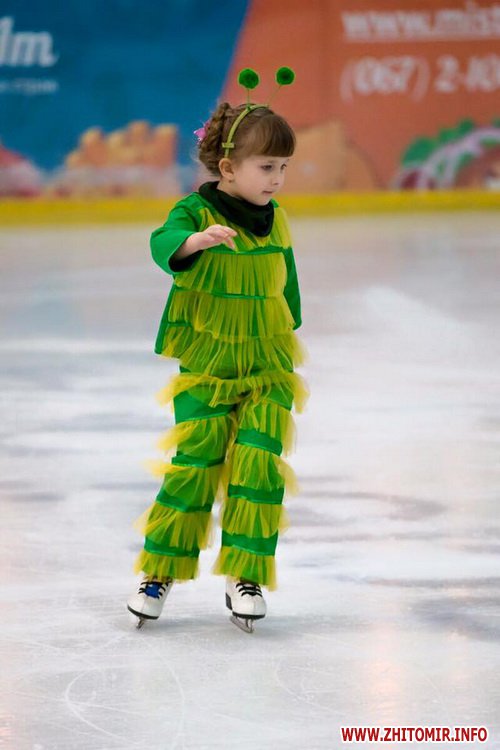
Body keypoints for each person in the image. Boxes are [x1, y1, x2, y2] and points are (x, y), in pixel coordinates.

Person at [127, 67, 309, 632]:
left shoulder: (276, 219)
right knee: (195, 466)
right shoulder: (194, 211)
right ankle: (158, 570)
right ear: (229, 168)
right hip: (208, 368)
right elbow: (162, 244)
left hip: (268, 366)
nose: (278, 179)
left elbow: (285, 284)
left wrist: (290, 328)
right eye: (267, 167)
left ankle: (245, 574)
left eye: (283, 167)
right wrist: (195, 241)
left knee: (259, 469)